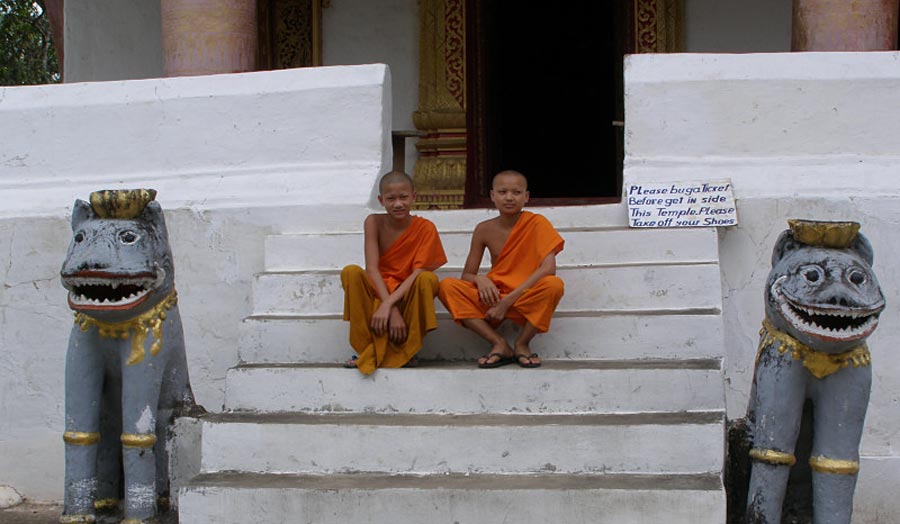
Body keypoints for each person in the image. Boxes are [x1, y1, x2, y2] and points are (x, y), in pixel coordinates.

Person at [438, 170, 564, 368]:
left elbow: (548, 269)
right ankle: (498, 343)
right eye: (503, 192)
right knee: (447, 286)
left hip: (523, 294)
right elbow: (466, 275)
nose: (509, 198)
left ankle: (522, 343)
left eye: (516, 192)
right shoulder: (484, 229)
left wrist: (506, 302)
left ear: (526, 197)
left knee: (553, 285)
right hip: (494, 295)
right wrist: (481, 280)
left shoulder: (537, 223)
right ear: (492, 196)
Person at [340, 171, 447, 374]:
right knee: (351, 272)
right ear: (381, 200)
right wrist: (389, 307)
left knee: (427, 279)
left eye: (403, 197)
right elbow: (371, 269)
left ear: (414, 197)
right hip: (377, 291)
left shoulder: (425, 228)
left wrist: (390, 305)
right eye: (391, 199)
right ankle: (371, 350)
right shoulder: (373, 222)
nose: (398, 204)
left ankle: (404, 349)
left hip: (407, 295)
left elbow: (417, 273)